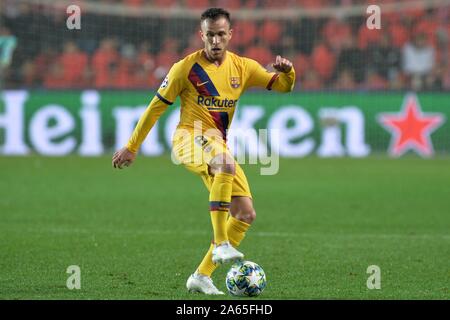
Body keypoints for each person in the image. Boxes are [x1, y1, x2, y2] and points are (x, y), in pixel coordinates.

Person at [112, 8, 295, 295]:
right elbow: (155, 108)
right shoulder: (185, 68)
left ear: (230, 35)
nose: (215, 41)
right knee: (225, 164)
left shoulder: (243, 67)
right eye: (210, 35)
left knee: (245, 213)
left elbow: (283, 87)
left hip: (216, 143)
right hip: (188, 138)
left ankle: (201, 275)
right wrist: (132, 146)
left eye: (221, 34)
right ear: (202, 35)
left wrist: (289, 72)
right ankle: (221, 243)